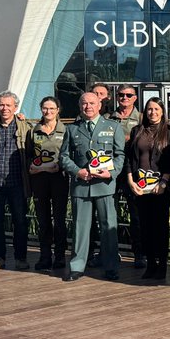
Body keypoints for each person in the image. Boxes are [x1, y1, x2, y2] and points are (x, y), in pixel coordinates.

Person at [60, 91, 126, 281]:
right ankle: (77, 266)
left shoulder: (113, 127)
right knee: (80, 228)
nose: (87, 107)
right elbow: (64, 156)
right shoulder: (72, 129)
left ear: (99, 105)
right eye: (84, 104)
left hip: (104, 185)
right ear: (79, 107)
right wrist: (77, 171)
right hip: (81, 185)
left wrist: (111, 173)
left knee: (108, 226)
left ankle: (111, 266)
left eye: (91, 103)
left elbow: (120, 155)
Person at [125, 97, 170, 282]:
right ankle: (151, 264)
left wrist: (163, 183)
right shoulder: (137, 130)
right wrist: (131, 181)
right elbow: (130, 159)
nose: (152, 112)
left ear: (162, 111)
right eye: (149, 109)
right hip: (140, 187)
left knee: (160, 227)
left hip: (160, 188)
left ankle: (162, 265)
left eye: (156, 109)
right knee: (144, 227)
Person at [0, 91, 32, 270]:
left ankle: (20, 258)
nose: (5, 108)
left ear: (15, 107)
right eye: (2, 105)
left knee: (20, 221)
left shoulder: (25, 127)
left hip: (17, 182)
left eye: (9, 105)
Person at [27, 96, 69, 272]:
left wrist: (59, 167)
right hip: (39, 179)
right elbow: (29, 154)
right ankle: (45, 256)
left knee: (59, 219)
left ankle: (60, 256)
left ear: (58, 110)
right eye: (45, 108)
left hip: (59, 178)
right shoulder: (33, 131)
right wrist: (31, 167)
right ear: (41, 109)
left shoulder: (65, 130)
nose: (48, 112)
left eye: (52, 108)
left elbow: (69, 154)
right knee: (43, 220)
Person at [108, 85, 144, 267]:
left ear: (135, 98)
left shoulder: (141, 118)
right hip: (112, 171)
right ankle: (110, 252)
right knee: (108, 213)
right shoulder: (108, 118)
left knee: (136, 215)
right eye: (121, 95)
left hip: (133, 171)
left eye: (129, 95)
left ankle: (139, 254)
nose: (124, 98)